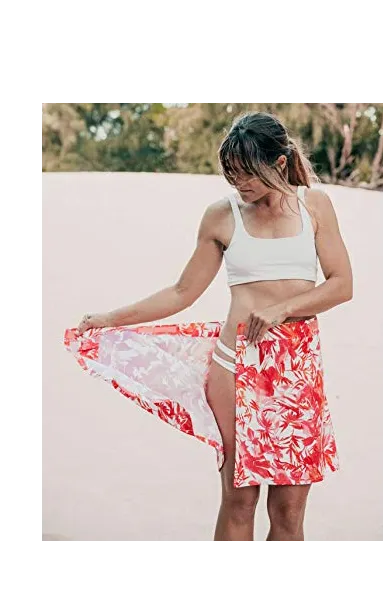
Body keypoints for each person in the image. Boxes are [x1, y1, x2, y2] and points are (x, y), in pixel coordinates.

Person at [68, 111, 353, 544]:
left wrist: (283, 309)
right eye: (231, 173)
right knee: (239, 499)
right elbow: (182, 291)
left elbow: (341, 284)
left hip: (296, 369)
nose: (239, 184)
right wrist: (110, 318)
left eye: (247, 173)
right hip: (234, 366)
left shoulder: (314, 205)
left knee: (289, 511)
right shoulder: (222, 216)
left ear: (279, 163)